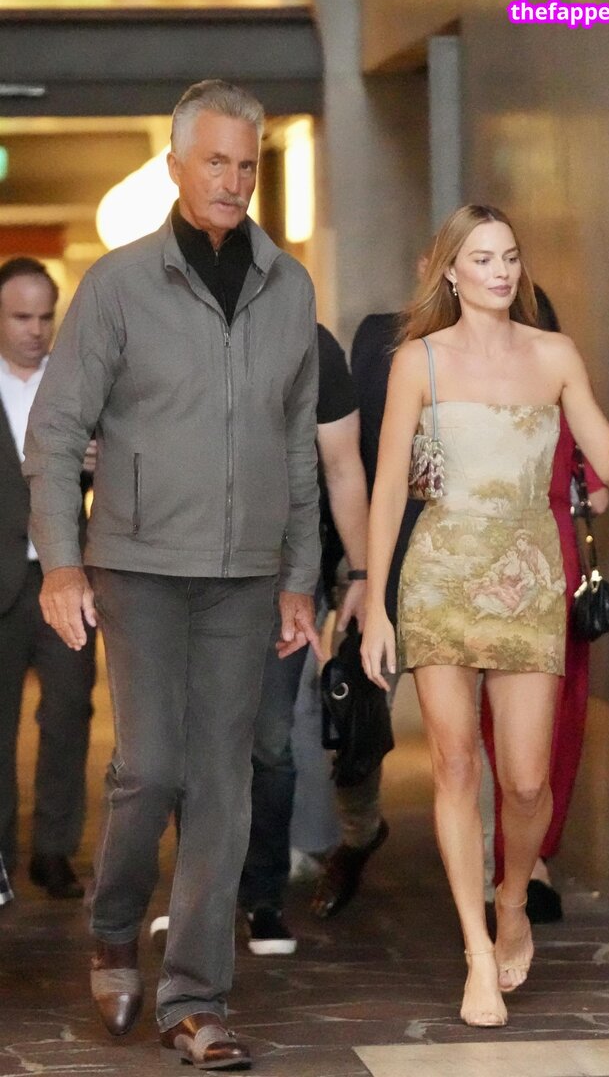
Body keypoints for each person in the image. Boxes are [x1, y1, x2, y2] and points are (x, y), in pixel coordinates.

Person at [23, 80, 321, 1070]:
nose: (232, 181)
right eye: (214, 162)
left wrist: (298, 575)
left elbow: (296, 443)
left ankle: (195, 998)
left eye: (247, 164)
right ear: (176, 166)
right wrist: (62, 564)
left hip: (245, 576)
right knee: (149, 767)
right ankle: (114, 928)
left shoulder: (290, 288)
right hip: (139, 566)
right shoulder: (118, 286)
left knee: (222, 785)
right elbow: (56, 434)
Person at [360, 203, 609, 1029]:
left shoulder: (554, 355)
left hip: (527, 579)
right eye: (482, 259)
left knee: (526, 781)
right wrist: (374, 606)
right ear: (451, 271)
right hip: (439, 577)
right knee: (454, 767)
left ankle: (512, 894)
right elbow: (387, 490)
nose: (501, 272)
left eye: (509, 256)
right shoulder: (417, 362)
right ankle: (477, 952)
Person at [238, 322, 369, 955]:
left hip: (288, 573)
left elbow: (343, 468)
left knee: (271, 740)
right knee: (193, 741)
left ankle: (263, 898)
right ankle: (203, 896)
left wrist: (361, 573)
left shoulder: (308, 342)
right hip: (188, 571)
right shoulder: (175, 327)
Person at [480, 287, 609, 924]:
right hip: (539, 571)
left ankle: (515, 864)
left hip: (510, 574)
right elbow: (599, 494)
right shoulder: (558, 393)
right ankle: (529, 864)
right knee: (554, 724)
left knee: (505, 725)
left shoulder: (490, 393)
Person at [310, 310, 421, 919]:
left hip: (480, 565)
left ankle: (497, 877)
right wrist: (359, 570)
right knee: (354, 716)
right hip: (383, 558)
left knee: (475, 736)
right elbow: (350, 459)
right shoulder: (378, 338)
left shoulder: (527, 337)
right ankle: (358, 836)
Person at [0, 257, 96, 900]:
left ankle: (54, 851)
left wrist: (98, 461)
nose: (36, 330)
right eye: (21, 317)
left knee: (68, 714)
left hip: (66, 577)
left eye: (45, 317)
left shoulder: (78, 383)